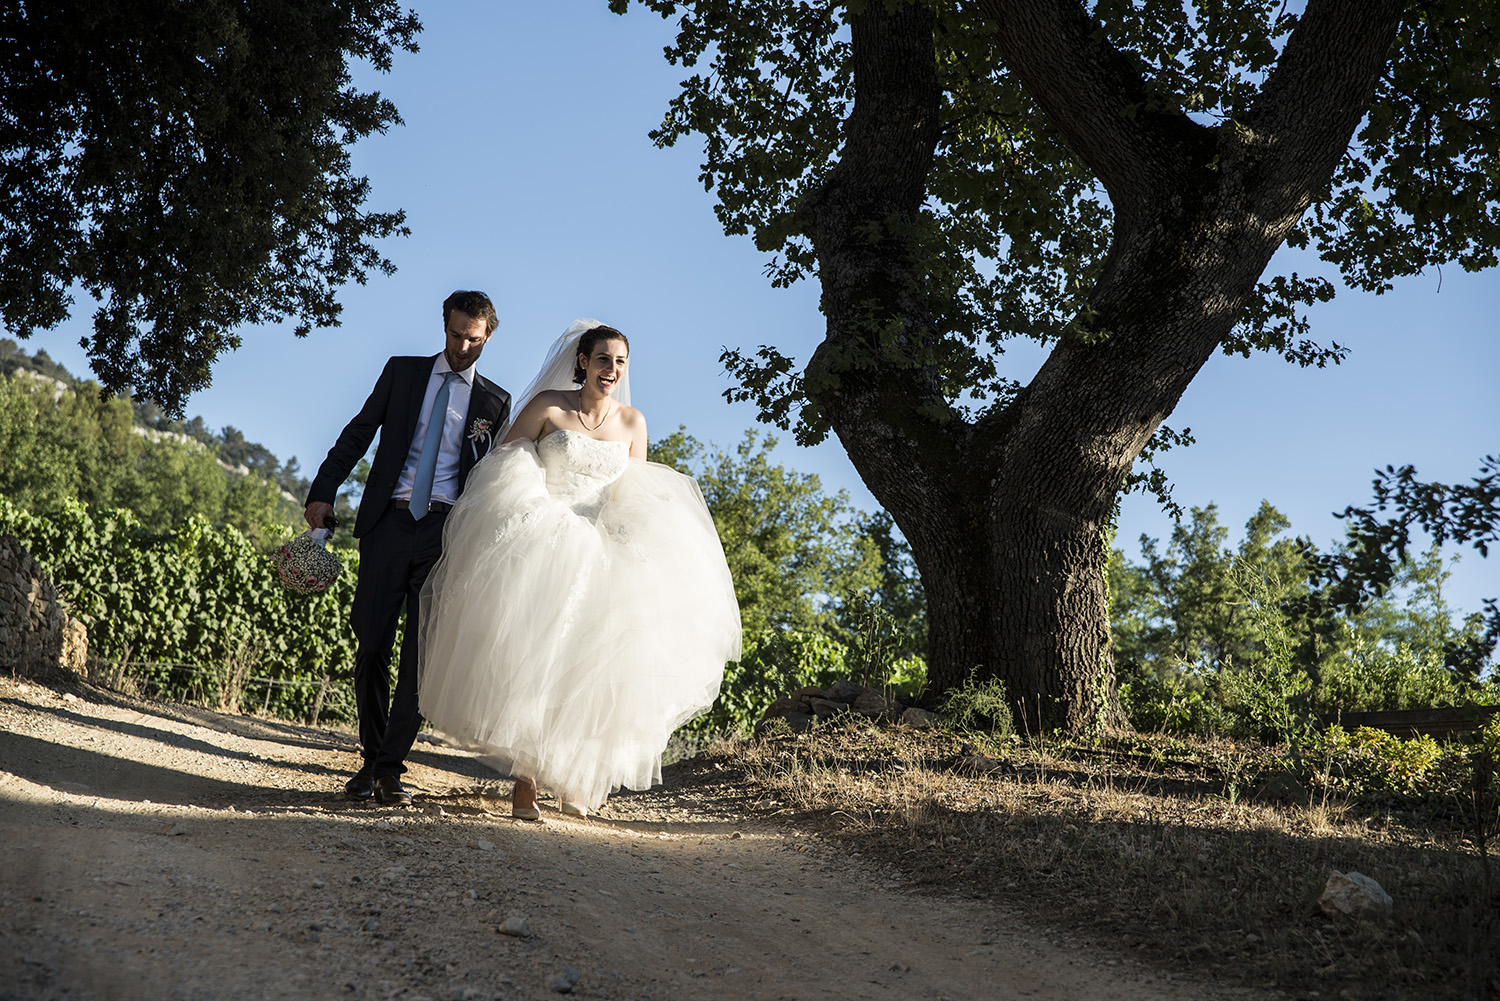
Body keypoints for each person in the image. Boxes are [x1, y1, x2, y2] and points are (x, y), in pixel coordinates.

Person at [417, 320, 741, 819]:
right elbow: (505, 461)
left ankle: (572, 776)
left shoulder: (633, 423)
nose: (611, 370)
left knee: (590, 664)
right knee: (536, 658)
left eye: (620, 362)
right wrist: (530, 507)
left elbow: (632, 494)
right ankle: (524, 784)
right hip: (544, 538)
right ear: (583, 362)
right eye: (603, 359)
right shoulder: (549, 405)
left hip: (600, 547)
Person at [305, 290, 512, 806]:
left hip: (446, 536)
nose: (463, 346)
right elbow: (357, 435)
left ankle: (389, 769)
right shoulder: (401, 372)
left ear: (488, 337)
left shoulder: (495, 403)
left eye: (474, 339)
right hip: (388, 523)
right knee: (371, 642)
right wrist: (321, 492)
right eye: (456, 334)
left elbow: (494, 480)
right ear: (444, 326)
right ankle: (373, 757)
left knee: (420, 657)